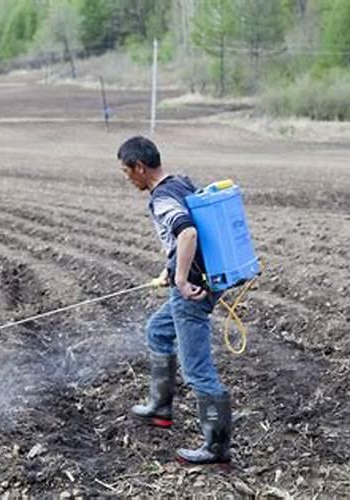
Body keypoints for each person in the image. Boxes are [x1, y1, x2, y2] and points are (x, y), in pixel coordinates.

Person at [116, 135, 232, 465]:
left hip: (192, 291)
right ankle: (160, 407)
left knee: (197, 369)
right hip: (207, 280)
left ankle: (216, 448)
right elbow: (193, 233)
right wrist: (172, 267)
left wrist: (180, 278)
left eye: (127, 171)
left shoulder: (162, 198)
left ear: (139, 167)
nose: (128, 178)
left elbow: (188, 233)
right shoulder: (181, 183)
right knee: (158, 330)